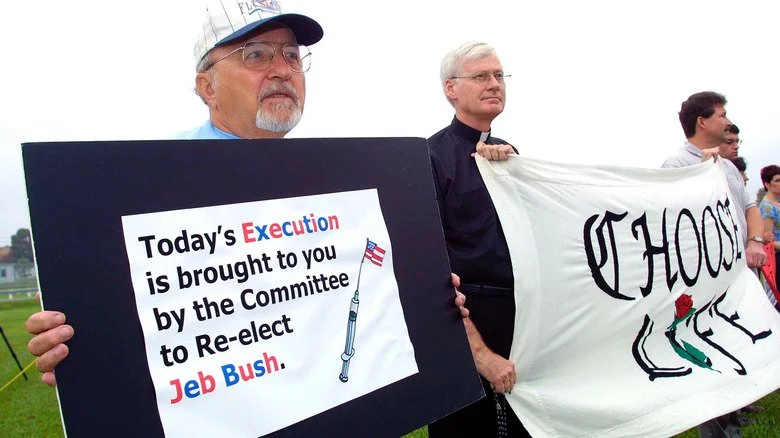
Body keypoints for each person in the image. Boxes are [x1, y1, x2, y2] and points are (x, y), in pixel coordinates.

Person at [25, 0, 469, 387]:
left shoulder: (334, 184)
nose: (282, 70)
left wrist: (414, 288)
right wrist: (80, 345)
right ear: (207, 87)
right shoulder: (147, 185)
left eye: (292, 56)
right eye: (255, 54)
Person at [427, 42, 530, 438]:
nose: (494, 84)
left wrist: (510, 174)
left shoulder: (511, 155)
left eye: (500, 76)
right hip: (464, 322)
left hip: (519, 319)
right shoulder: (431, 157)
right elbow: (429, 267)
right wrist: (479, 354)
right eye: (481, 76)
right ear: (451, 89)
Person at [662, 91, 768, 438]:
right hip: (706, 286)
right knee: (711, 357)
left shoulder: (729, 167)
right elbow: (669, 222)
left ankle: (734, 424)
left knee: (741, 349)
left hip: (741, 278)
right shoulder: (677, 166)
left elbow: (750, 207)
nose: (727, 121)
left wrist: (754, 241)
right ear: (702, 122)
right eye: (722, 114)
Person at [759, 164, 780, 287]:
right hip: (777, 258)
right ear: (767, 184)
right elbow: (768, 241)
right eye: (777, 180)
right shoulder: (767, 207)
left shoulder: (776, 203)